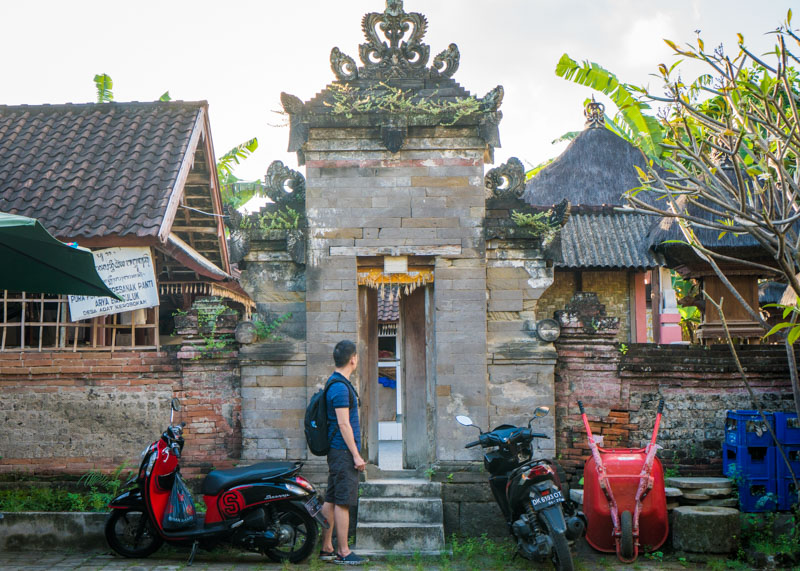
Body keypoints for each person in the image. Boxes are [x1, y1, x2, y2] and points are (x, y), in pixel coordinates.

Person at [319, 340, 368, 566]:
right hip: (342, 451)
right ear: (353, 359)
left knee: (331, 498)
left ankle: (327, 548)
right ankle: (343, 551)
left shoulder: (337, 382)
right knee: (343, 501)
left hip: (338, 451)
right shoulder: (339, 387)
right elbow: (344, 424)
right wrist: (356, 455)